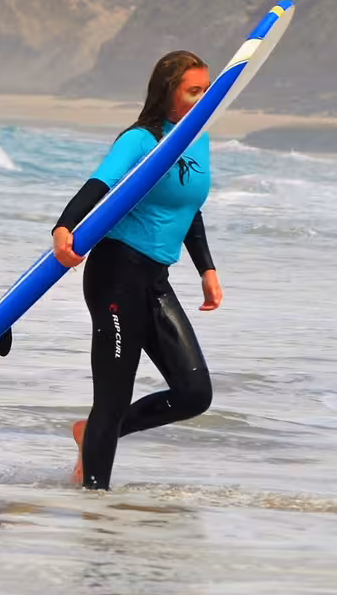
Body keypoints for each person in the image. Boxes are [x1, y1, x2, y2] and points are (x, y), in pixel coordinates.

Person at [50, 50, 221, 490]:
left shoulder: (197, 138)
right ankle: (95, 506)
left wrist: (206, 268)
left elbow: (187, 205)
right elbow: (101, 182)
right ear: (168, 92)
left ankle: (93, 436)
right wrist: (65, 225)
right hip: (116, 273)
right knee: (112, 397)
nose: (204, 98)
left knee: (194, 394)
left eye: (208, 89)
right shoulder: (141, 140)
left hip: (155, 279)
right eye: (194, 91)